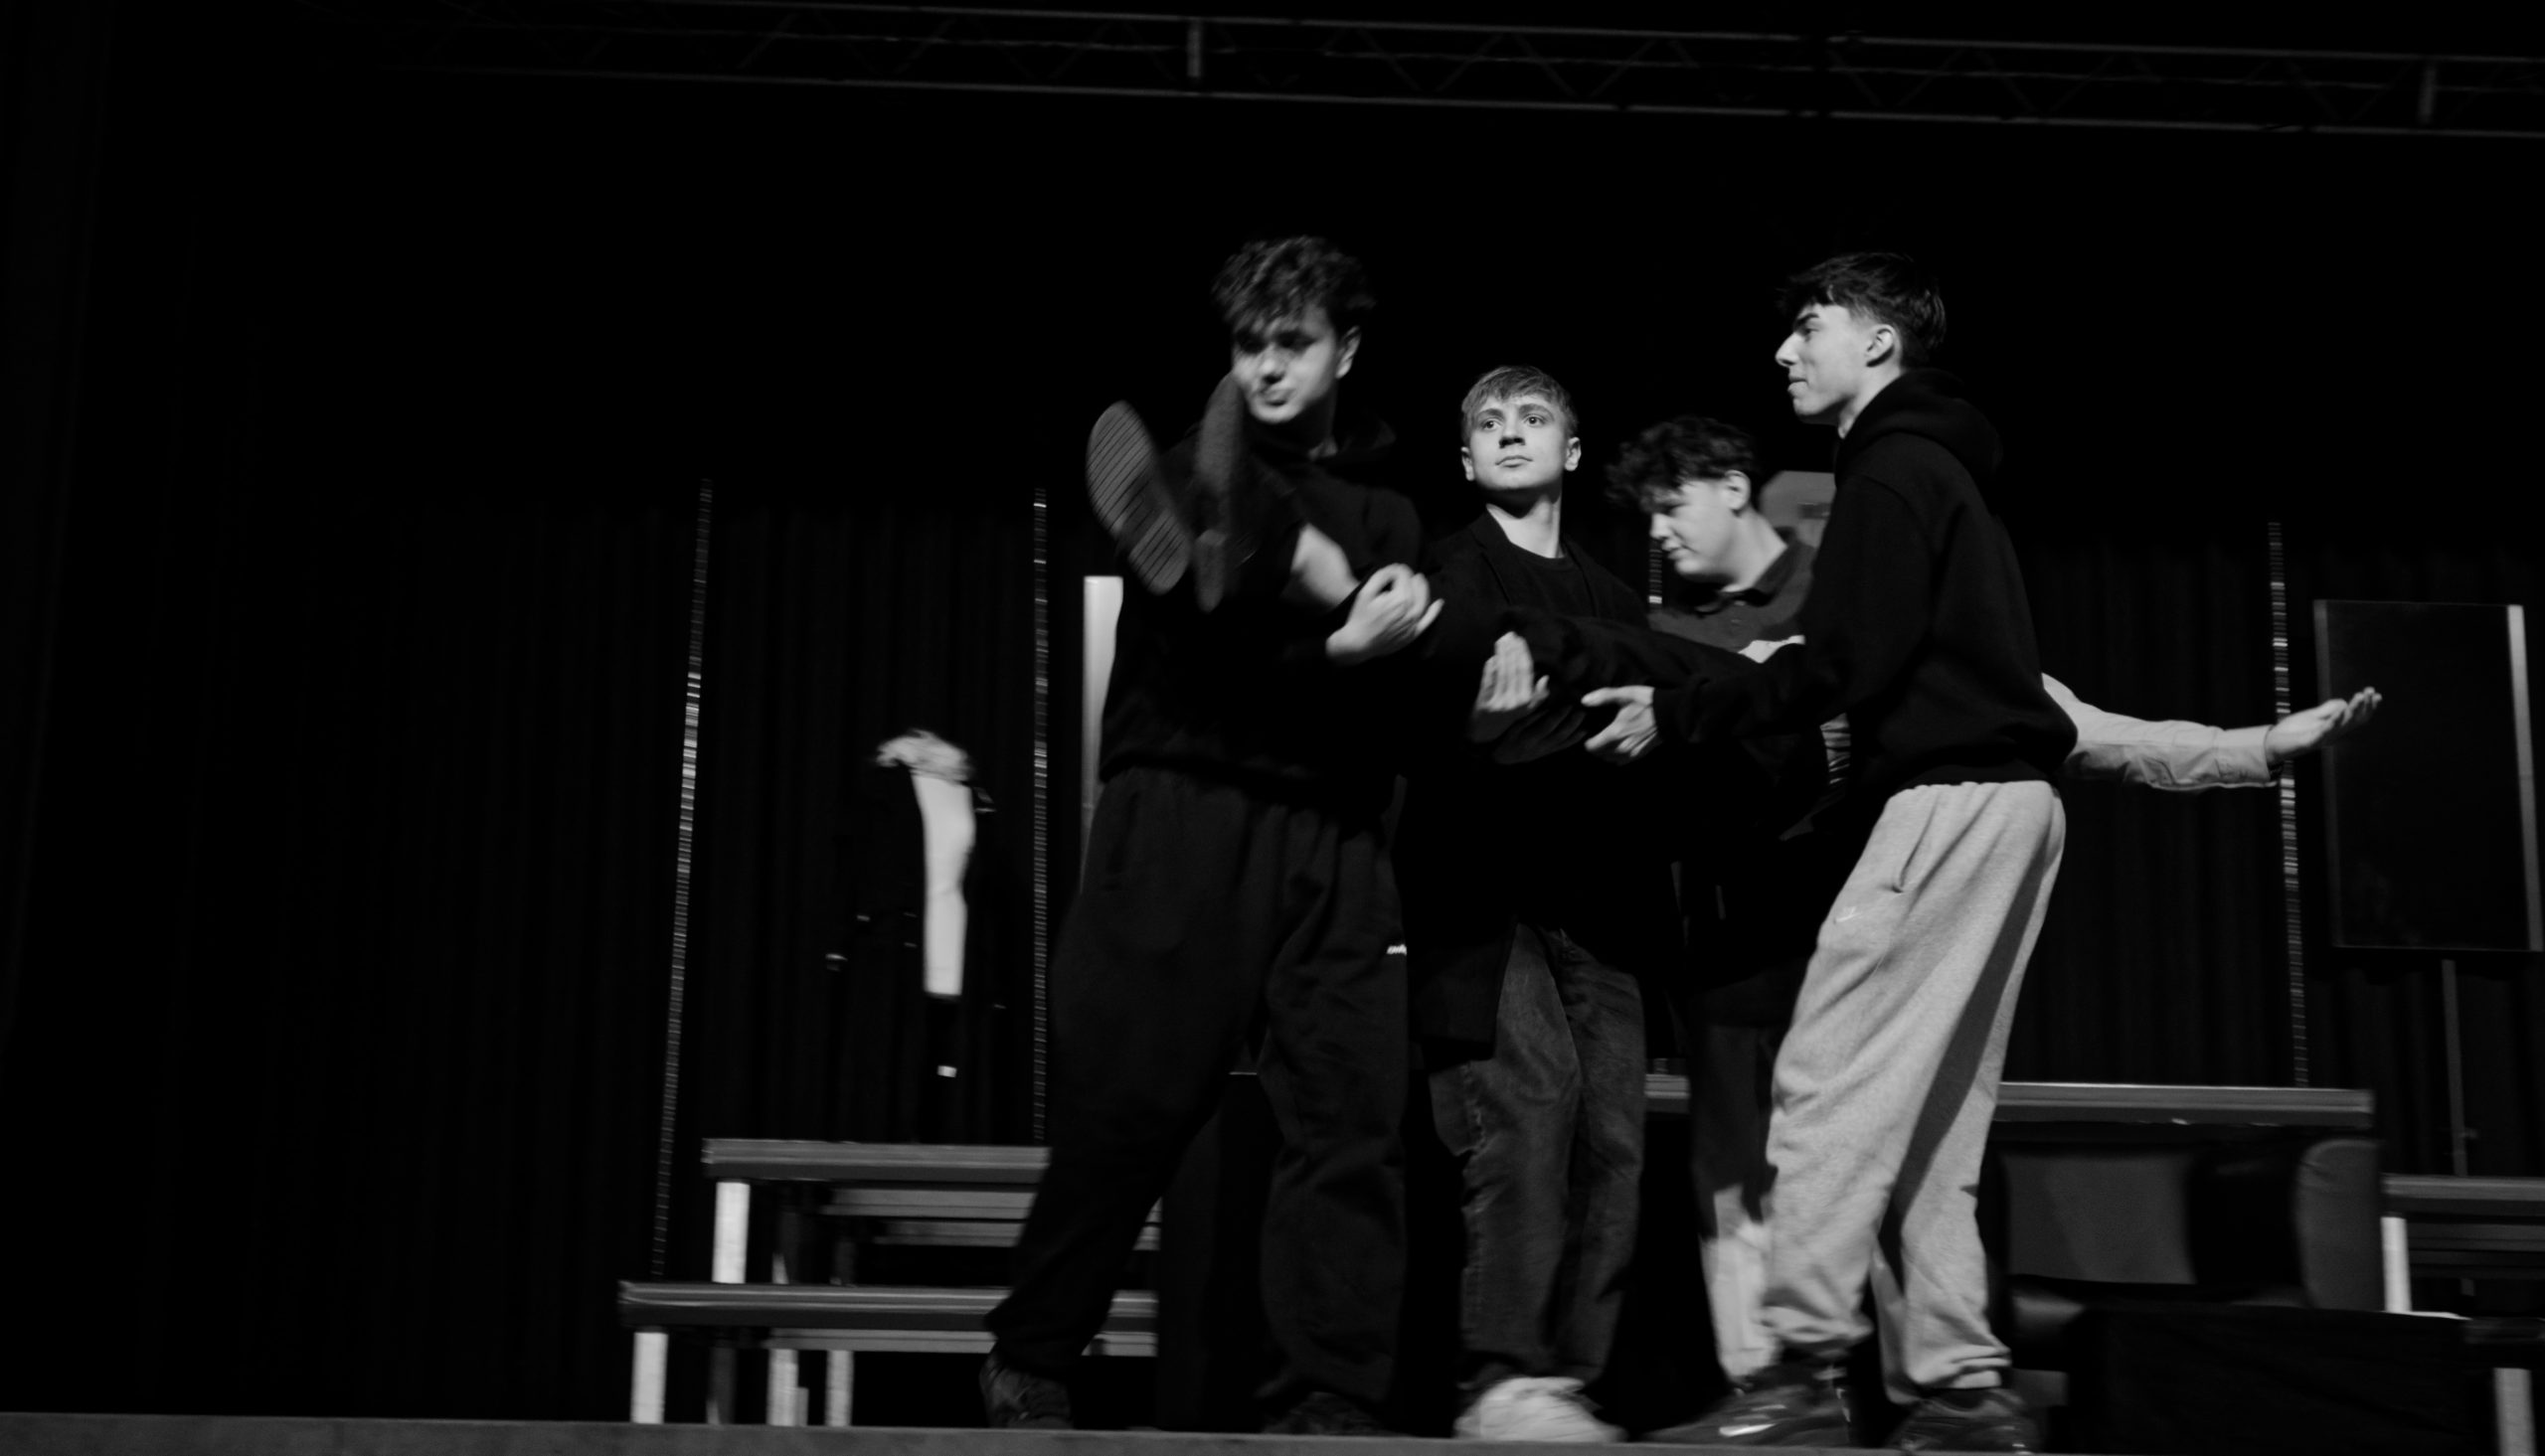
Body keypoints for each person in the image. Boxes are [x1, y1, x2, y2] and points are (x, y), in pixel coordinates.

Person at [1606, 414, 2379, 1401]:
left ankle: (1928, 1389)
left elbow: (2080, 728)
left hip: (1868, 927)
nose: (1659, 531)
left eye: (1670, 505)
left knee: (1901, 1150)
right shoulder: (1708, 646)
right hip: (1737, 944)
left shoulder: (1902, 627)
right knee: (1756, 1168)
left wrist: (2256, 747)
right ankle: (1804, 1389)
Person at [1541, 251, 2077, 1451]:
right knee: (1932, 1115)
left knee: (1824, 1085)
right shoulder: (1943, 467)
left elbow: (1844, 664)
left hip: (1944, 802)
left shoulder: (1887, 465)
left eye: (1809, 326)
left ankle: (1793, 1374)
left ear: (1878, 341)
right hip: (2015, 808)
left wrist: (1680, 710)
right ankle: (1961, 1392)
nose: (1784, 350)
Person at [980, 237, 1437, 1436]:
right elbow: (1199, 674)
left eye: (1293, 343)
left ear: (1346, 349)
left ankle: (1332, 1393)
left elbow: (1397, 690)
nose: (1268, 367)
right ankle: (1032, 1354)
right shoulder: (1184, 468)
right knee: (1127, 1104)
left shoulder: (1392, 509)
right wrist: (1335, 646)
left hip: (1332, 826)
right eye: (1248, 346)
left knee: (1350, 1121)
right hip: (1186, 803)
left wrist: (1370, 641)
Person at [1392, 367, 1681, 1443]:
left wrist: (1649, 726)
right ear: (1466, 459)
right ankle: (1501, 1375)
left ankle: (1566, 1380)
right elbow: (1415, 735)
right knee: (1527, 1105)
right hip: (1483, 903)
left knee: (1615, 1140)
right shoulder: (1445, 570)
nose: (1510, 434)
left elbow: (1647, 737)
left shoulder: (1614, 600)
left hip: (1600, 902)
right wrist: (1479, 732)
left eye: (1533, 418)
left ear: (1571, 449)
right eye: (1488, 423)